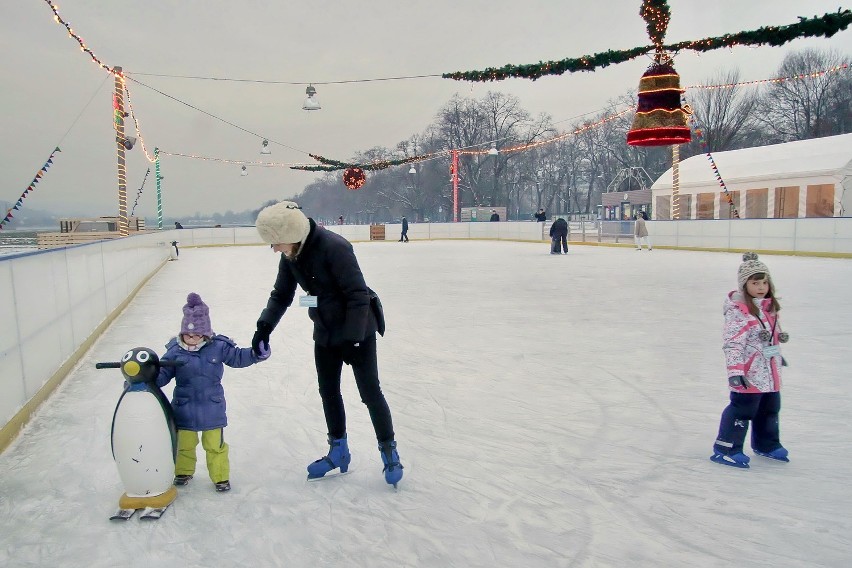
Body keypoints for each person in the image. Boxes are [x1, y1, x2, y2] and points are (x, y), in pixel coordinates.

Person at [253, 201, 403, 487]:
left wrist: (353, 339)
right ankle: (339, 451)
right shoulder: (290, 256)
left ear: (292, 233)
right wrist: (264, 327)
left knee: (370, 392)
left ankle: (389, 451)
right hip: (324, 329)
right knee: (328, 392)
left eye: (276, 242)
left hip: (358, 329)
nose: (274, 249)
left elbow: (358, 295)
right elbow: (281, 295)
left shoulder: (335, 247)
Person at [156, 293, 270, 491]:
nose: (191, 339)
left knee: (215, 446)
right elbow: (163, 373)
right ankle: (183, 471)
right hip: (184, 408)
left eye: (196, 335)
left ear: (206, 334)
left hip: (212, 407)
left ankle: (220, 477)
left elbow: (237, 358)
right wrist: (146, 378)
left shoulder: (218, 347)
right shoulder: (175, 350)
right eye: (187, 334)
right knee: (184, 444)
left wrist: (255, 354)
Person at [711, 253, 790, 468]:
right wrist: (735, 372)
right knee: (743, 409)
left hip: (769, 371)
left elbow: (770, 336)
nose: (761, 287)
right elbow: (733, 343)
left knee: (770, 407)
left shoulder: (768, 308)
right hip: (749, 373)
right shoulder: (739, 313)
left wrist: (777, 356)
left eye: (764, 282)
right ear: (745, 285)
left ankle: (767, 444)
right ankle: (726, 447)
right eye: (755, 283)